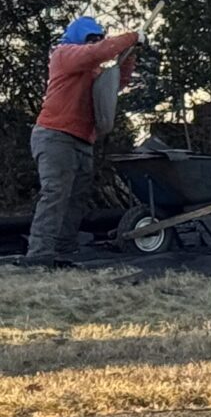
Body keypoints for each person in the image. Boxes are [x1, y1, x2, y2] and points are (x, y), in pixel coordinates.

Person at [26, 15, 137, 266]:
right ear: (78, 37)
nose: (95, 42)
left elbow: (115, 85)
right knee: (55, 193)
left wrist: (129, 56)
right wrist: (131, 36)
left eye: (98, 38)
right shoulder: (64, 54)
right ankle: (39, 254)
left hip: (82, 139)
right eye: (91, 38)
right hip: (55, 135)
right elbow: (96, 53)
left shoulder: (93, 70)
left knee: (76, 196)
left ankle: (64, 248)